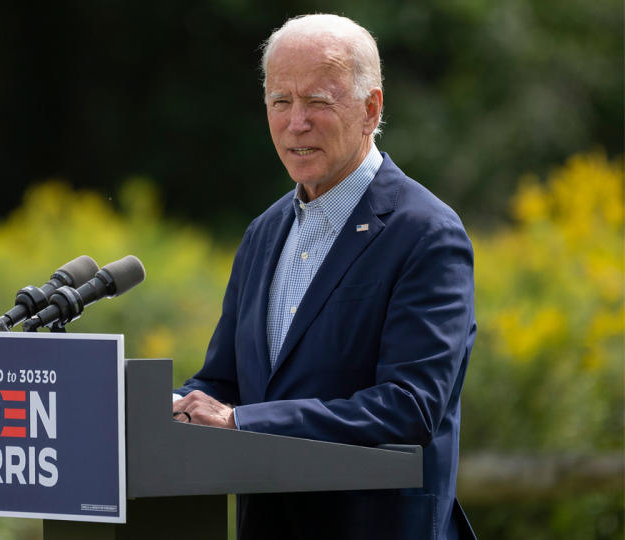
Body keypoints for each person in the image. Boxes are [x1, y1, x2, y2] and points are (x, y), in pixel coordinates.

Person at [172, 13, 477, 540]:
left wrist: (243, 423)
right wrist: (161, 406)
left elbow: (409, 406)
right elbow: (224, 383)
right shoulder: (263, 232)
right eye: (280, 102)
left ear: (370, 109)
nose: (296, 122)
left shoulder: (427, 234)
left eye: (318, 101)